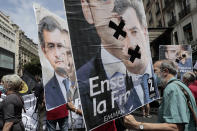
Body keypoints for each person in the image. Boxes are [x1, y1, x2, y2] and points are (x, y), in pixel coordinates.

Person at [77, 0, 158, 130]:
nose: (116, 5)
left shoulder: (144, 68)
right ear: (87, 9)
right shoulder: (82, 80)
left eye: (134, 31)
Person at [124, 60, 197, 131]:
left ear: (165, 71)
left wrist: (137, 125)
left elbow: (175, 127)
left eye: (154, 71)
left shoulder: (172, 89)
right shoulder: (179, 85)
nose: (151, 75)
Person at [38, 16, 73, 131]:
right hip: (52, 115)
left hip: (65, 115)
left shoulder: (73, 80)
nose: (58, 53)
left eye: (60, 45)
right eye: (51, 46)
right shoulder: (46, 83)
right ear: (44, 50)